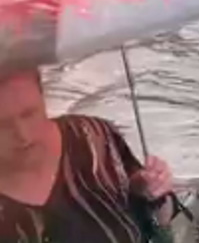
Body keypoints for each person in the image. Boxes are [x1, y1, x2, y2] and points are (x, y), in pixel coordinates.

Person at [0, 69, 176, 242]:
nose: (23, 135)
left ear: (43, 96)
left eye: (29, 114)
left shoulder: (92, 138)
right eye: (2, 124)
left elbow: (154, 221)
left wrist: (145, 190)